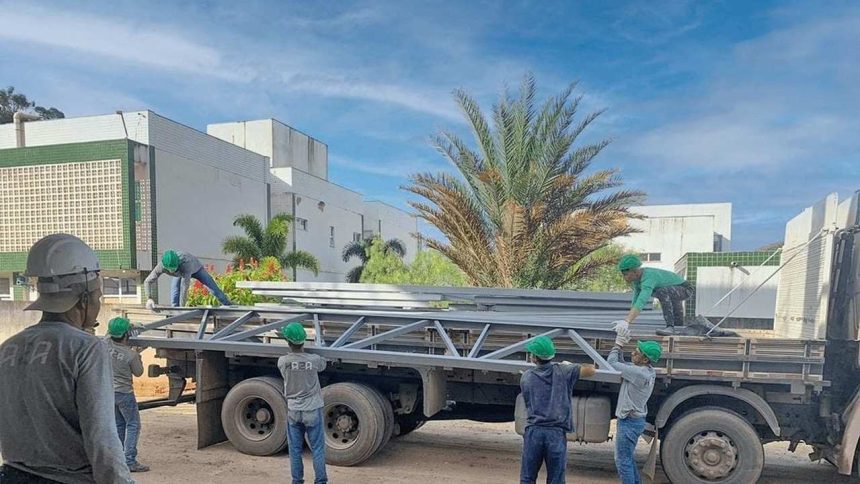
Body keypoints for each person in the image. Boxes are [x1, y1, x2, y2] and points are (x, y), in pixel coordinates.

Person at [0, 233, 134, 484]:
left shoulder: (7, 348)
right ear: (83, 299)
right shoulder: (86, 349)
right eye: (98, 296)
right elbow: (102, 438)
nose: (98, 302)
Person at [519, 335, 597, 484]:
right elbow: (591, 370)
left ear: (534, 357)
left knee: (527, 478)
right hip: (555, 433)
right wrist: (570, 365)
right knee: (556, 480)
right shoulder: (564, 371)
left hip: (534, 431)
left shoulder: (526, 377)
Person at [607, 333, 662, 484]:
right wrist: (621, 350)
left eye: (636, 352)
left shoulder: (638, 373)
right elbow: (624, 365)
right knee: (627, 459)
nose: (633, 353)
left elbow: (612, 363)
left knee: (622, 461)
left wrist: (618, 344)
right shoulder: (647, 370)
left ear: (645, 359)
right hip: (635, 421)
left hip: (629, 423)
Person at [277, 323, 328, 484]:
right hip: (312, 409)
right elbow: (323, 364)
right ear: (303, 341)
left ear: (288, 342)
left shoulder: (283, 361)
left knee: (295, 450)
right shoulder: (314, 360)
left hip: (294, 410)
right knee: (318, 449)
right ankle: (320, 481)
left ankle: (297, 481)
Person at [104, 317, 150, 473]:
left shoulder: (104, 344)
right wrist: (138, 354)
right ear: (126, 335)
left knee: (119, 425)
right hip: (125, 394)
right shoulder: (131, 355)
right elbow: (139, 372)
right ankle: (129, 460)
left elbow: (108, 334)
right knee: (133, 425)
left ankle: (118, 459)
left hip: (109, 392)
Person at [612, 254, 694, 336]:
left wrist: (627, 321)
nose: (624, 278)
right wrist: (627, 320)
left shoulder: (649, 277)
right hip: (673, 291)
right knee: (667, 297)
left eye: (626, 274)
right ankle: (678, 327)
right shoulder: (636, 280)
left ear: (635, 271)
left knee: (661, 292)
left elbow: (642, 300)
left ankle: (670, 327)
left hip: (685, 289)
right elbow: (636, 300)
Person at [143, 249, 231, 309]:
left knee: (212, 287)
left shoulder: (186, 263)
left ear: (177, 263)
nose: (172, 271)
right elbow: (148, 281)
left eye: (174, 268)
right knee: (175, 291)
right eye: (170, 269)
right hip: (180, 274)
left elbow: (184, 288)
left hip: (196, 269)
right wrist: (149, 298)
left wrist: (182, 309)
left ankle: (227, 304)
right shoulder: (161, 266)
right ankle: (174, 312)